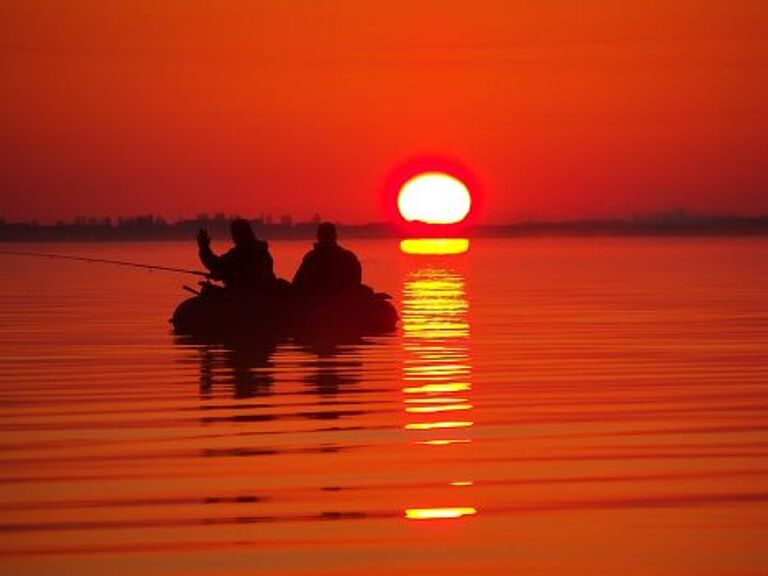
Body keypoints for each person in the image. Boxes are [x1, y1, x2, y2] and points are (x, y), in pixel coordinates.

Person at [197, 219, 276, 293]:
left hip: (247, 296)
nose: (234, 237)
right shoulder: (262, 251)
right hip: (262, 293)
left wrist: (204, 249)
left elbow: (217, 265)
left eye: (235, 233)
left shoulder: (240, 253)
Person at [292, 222, 363, 295]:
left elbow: (297, 283)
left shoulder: (312, 257)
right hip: (342, 297)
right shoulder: (349, 256)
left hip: (318, 298)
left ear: (318, 236)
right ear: (335, 235)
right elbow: (356, 280)